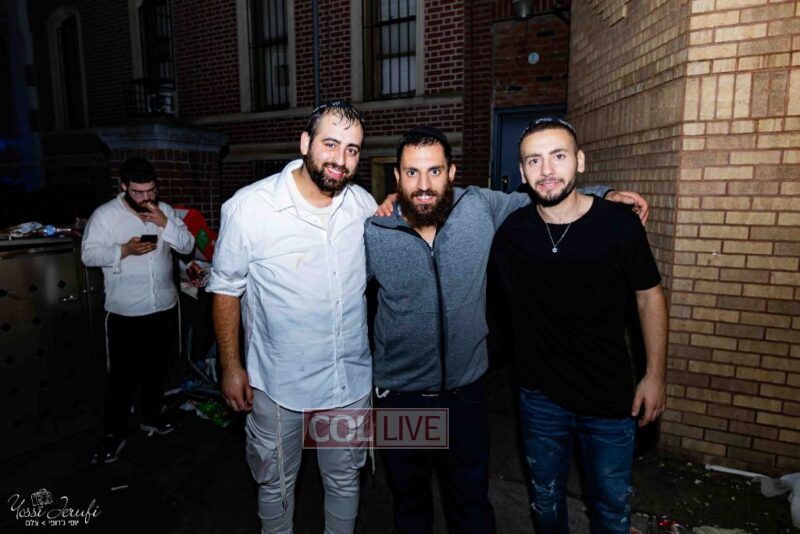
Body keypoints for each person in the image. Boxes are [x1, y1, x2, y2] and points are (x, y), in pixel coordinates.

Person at [363, 126, 647, 533]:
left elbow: (544, 194)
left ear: (452, 173)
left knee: (470, 500)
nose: (423, 184)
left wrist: (605, 194)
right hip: (401, 397)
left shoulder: (478, 207)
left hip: (465, 393)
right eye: (412, 172)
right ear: (397, 177)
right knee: (410, 502)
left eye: (434, 171)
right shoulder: (375, 232)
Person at [490, 117, 668, 533]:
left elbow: (649, 295)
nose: (547, 170)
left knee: (611, 507)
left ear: (580, 161)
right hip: (539, 398)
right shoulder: (511, 234)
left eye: (558, 156)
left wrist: (655, 375)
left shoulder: (618, 224)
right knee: (546, 501)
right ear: (522, 173)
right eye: (534, 160)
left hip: (609, 398)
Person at [207, 101, 377, 534]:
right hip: (278, 383)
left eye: (353, 149)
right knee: (276, 484)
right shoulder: (250, 207)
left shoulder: (362, 206)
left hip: (347, 380)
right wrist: (231, 366)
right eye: (330, 144)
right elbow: (225, 288)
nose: (341, 159)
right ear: (305, 143)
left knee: (344, 479)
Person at [81, 157, 195, 463]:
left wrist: (165, 224)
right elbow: (88, 255)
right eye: (138, 192)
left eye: (151, 191)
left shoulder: (164, 210)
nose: (146, 198)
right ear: (124, 187)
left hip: (164, 306)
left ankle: (152, 416)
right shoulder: (106, 215)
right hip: (125, 312)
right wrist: (124, 250)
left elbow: (186, 246)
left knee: (156, 369)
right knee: (122, 377)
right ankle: (114, 433)